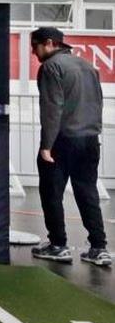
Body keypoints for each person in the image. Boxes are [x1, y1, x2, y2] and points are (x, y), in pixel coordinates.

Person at [30, 27, 111, 266]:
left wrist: (46, 145)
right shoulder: (88, 66)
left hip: (62, 140)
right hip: (89, 139)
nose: (33, 52)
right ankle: (99, 248)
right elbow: (98, 102)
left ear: (48, 43)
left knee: (51, 192)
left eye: (35, 46)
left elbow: (52, 108)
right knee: (87, 192)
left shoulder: (50, 68)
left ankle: (58, 245)